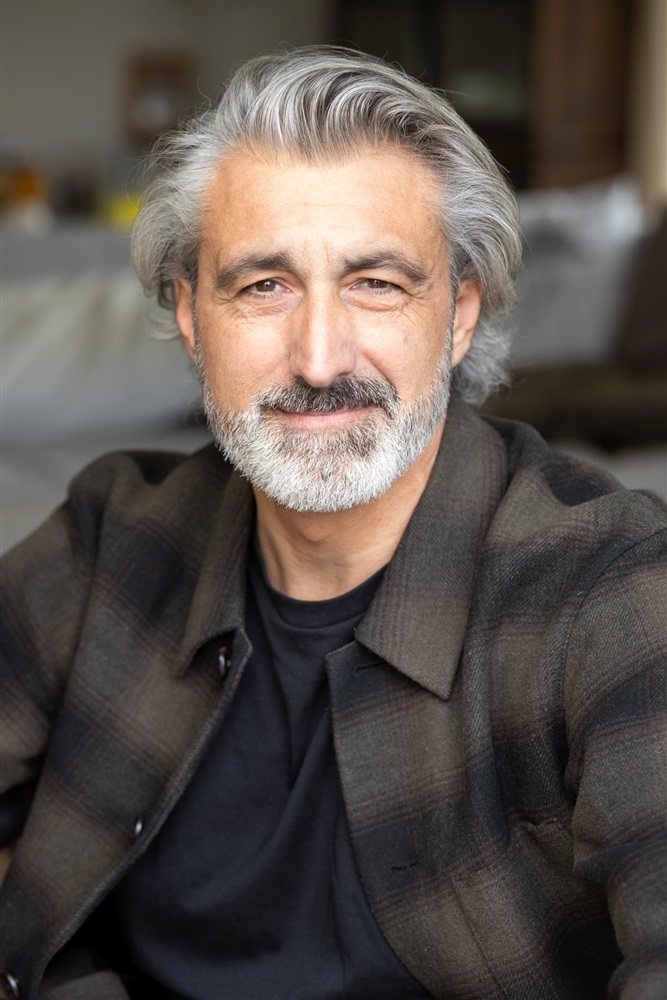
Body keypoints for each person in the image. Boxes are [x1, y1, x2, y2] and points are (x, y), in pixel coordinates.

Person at [1, 46, 665, 1000]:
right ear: (190, 316)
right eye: (262, 286)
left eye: (376, 283)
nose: (318, 359)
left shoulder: (615, 594)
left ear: (458, 315)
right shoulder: (116, 537)